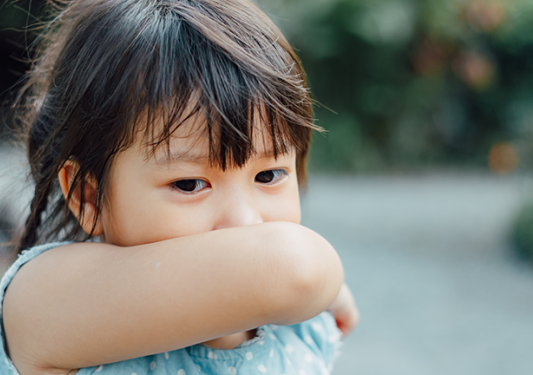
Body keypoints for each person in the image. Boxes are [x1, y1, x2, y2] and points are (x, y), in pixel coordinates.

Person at [0, 0, 359, 374]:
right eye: (189, 184)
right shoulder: (46, 300)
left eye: (268, 176)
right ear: (87, 197)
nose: (245, 223)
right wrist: (327, 287)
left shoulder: (299, 329)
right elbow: (293, 268)